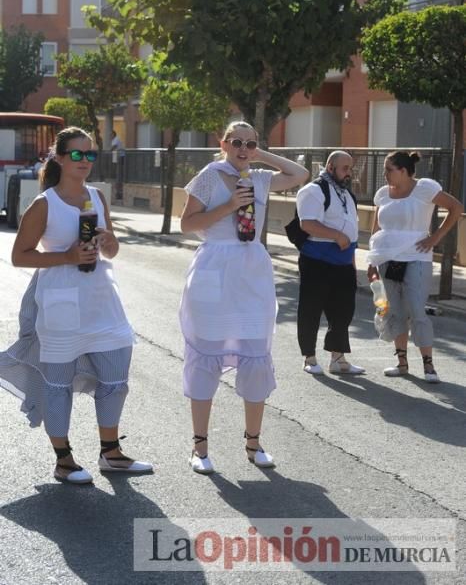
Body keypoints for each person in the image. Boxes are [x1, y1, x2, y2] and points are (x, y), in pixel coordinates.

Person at [0, 126, 152, 484]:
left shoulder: (97, 197)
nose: (85, 161)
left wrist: (109, 239)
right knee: (58, 385)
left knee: (116, 377)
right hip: (60, 302)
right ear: (60, 158)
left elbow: (112, 251)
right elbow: (20, 256)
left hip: (102, 299)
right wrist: (67, 255)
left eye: (91, 155)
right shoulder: (45, 203)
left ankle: (111, 453)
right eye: (77, 154)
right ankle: (64, 459)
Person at [179, 120, 308, 474]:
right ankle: (200, 447)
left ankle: (253, 443)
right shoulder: (208, 175)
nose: (242, 149)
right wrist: (230, 204)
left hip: (251, 273)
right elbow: (186, 224)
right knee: (206, 357)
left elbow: (300, 173)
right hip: (214, 268)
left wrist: (257, 154)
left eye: (249, 144)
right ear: (222, 144)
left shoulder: (260, 178)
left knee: (255, 354)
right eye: (235, 142)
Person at [367, 151, 463, 383]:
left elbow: (456, 208)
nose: (385, 174)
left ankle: (428, 366)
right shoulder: (383, 195)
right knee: (396, 311)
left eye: (389, 169)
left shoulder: (425, 189)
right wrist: (371, 260)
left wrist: (435, 238)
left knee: (417, 310)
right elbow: (376, 230)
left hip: (417, 257)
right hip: (387, 258)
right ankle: (402, 363)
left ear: (403, 170)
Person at [296, 151, 366, 376]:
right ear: (330, 167)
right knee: (311, 309)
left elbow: (351, 233)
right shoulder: (314, 191)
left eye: (350, 169)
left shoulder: (346, 194)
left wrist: (353, 266)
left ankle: (338, 359)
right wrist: (336, 236)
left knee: (343, 312)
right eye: (345, 168)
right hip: (317, 262)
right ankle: (309, 357)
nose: (349, 173)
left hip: (344, 264)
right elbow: (307, 223)